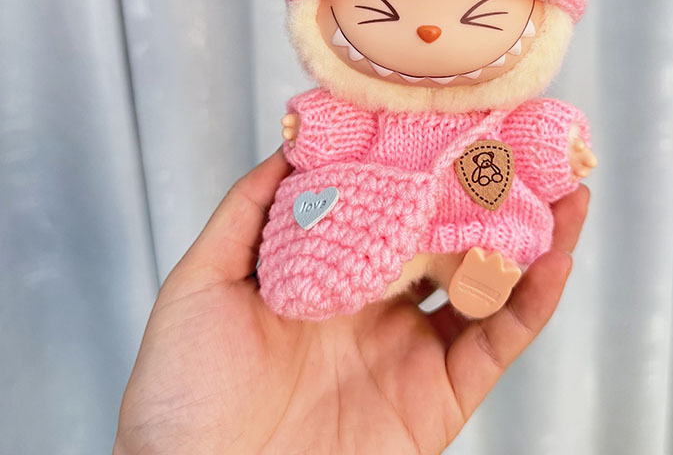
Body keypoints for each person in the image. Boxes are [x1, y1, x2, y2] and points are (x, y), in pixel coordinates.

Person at [113, 147, 590, 454]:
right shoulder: (370, 102)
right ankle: (369, 276)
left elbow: (536, 141)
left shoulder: (494, 117)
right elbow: (331, 135)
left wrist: (565, 147)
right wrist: (306, 128)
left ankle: (469, 275)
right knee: (382, 253)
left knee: (463, 246)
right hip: (383, 217)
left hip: (457, 219)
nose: (429, 32)